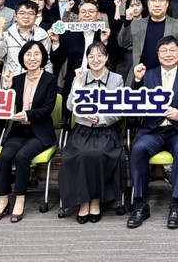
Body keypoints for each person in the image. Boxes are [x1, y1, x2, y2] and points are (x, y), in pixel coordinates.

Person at [126, 36, 178, 229]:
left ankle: (175, 204)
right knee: (138, 149)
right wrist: (137, 80)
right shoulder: (148, 75)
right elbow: (133, 100)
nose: (168, 54)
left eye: (172, 50)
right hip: (153, 130)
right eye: (164, 51)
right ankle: (141, 204)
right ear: (158, 54)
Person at [0, 41, 57, 224]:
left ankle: (20, 199)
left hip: (40, 132)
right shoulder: (17, 80)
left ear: (43, 57)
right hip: (19, 130)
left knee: (22, 157)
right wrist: (7, 87)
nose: (32, 58)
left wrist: (27, 114)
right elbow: (5, 105)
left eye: (36, 54)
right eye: (28, 54)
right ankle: (3, 200)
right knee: (4, 157)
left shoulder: (49, 79)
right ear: (22, 58)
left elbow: (48, 108)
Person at [60, 41, 126, 224]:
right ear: (87, 59)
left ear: (107, 58)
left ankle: (95, 200)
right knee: (78, 155)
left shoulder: (116, 79)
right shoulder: (81, 76)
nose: (95, 60)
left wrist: (101, 118)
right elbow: (70, 105)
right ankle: (83, 201)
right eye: (91, 56)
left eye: (100, 56)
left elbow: (119, 110)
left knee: (97, 154)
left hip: (106, 130)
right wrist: (78, 83)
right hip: (83, 129)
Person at [50, 0, 119, 127]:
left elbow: (115, 59)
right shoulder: (69, 34)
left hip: (99, 82)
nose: (87, 15)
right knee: (70, 120)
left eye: (91, 11)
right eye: (83, 12)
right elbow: (57, 61)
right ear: (78, 15)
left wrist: (105, 42)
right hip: (75, 81)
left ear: (98, 15)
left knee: (97, 118)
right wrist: (55, 43)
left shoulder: (106, 32)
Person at [118, 0, 178, 85]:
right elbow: (123, 43)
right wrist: (127, 21)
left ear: (167, 4)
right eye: (153, 0)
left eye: (161, 0)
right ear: (148, 4)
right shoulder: (136, 24)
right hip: (141, 76)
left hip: (168, 78)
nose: (157, 4)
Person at [0, 0, 53, 77]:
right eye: (22, 13)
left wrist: (49, 80)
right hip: (11, 79)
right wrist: (0, 30)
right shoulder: (6, 35)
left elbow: (47, 62)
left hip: (36, 79)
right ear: (15, 17)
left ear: (36, 17)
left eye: (30, 13)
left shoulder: (43, 36)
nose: (26, 16)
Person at [114, 0, 148, 81]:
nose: (135, 8)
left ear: (143, 6)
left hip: (145, 58)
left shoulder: (149, 22)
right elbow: (121, 42)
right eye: (132, 5)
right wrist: (128, 21)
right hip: (127, 60)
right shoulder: (126, 22)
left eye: (138, 5)